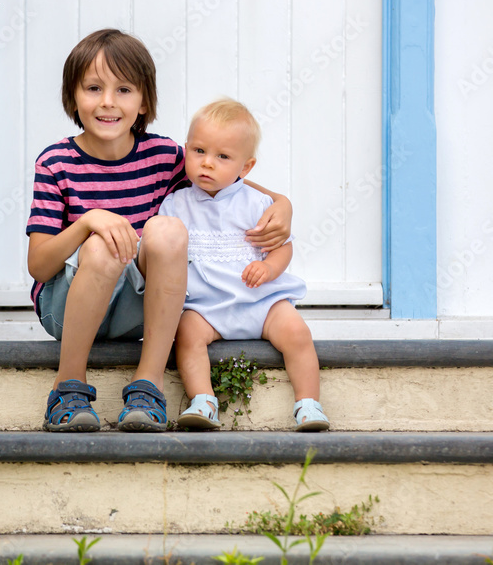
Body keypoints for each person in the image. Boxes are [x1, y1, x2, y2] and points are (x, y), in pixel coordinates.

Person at [26, 29, 292, 433]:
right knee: (101, 248)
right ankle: (68, 386)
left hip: (140, 311)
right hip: (68, 308)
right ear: (73, 96)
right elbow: (40, 267)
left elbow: (227, 177)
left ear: (144, 100)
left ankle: (147, 386)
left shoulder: (166, 156)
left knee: (167, 230)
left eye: (124, 89)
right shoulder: (56, 162)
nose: (108, 102)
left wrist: (281, 202)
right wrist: (86, 222)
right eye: (94, 88)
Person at [158, 98, 330, 432]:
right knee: (186, 333)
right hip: (206, 308)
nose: (207, 163)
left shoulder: (257, 203)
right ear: (186, 149)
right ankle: (203, 401)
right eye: (198, 151)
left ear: (246, 167)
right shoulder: (175, 204)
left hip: (260, 302)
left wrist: (269, 269)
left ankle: (308, 404)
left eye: (222, 157)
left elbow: (282, 247)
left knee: (297, 332)